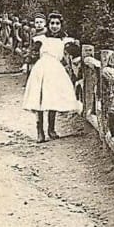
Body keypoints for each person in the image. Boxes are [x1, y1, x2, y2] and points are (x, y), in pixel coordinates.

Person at [22, 11, 81, 142]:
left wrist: (77, 54)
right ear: (48, 25)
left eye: (57, 24)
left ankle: (51, 129)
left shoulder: (64, 40)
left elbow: (75, 52)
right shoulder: (41, 39)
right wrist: (26, 63)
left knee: (52, 99)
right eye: (52, 23)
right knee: (40, 99)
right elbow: (32, 53)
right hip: (41, 69)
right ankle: (40, 131)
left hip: (55, 70)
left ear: (61, 25)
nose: (54, 26)